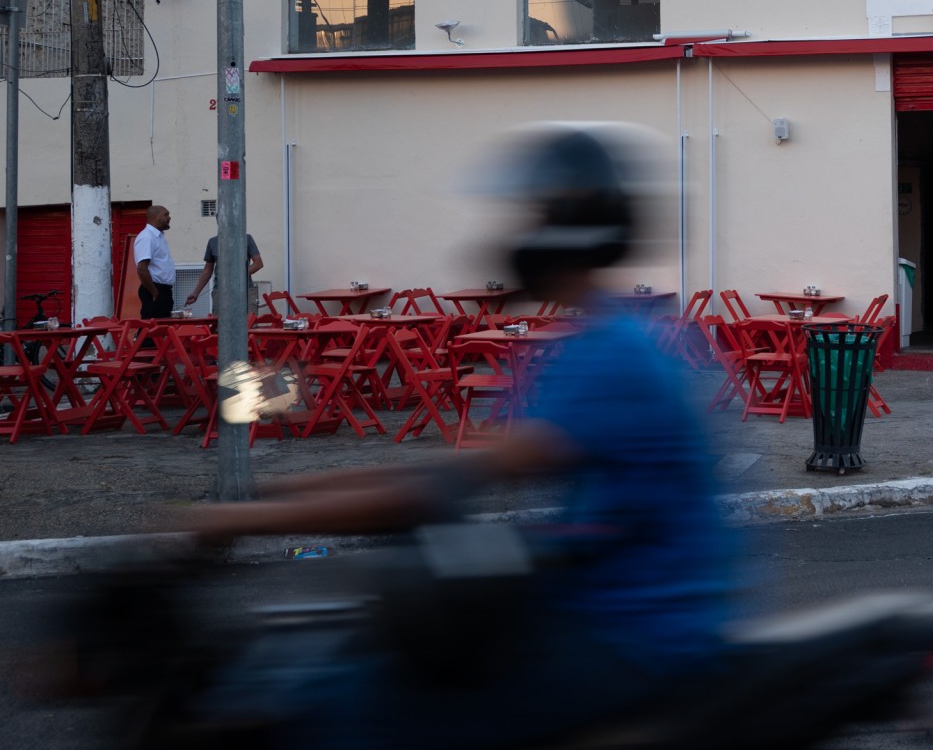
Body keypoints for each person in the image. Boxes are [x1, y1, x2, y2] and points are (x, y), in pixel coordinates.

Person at [184, 125, 739, 749]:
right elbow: (452, 471)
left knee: (358, 707)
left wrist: (244, 518)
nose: (521, 234)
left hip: (634, 634)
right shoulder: (604, 340)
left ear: (570, 229)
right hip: (596, 604)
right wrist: (273, 494)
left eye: (538, 215)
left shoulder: (612, 355)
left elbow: (442, 484)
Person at [182, 231, 264, 312]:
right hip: (220, 293)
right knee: (219, 321)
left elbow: (258, 263)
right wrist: (196, 292)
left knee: (249, 320)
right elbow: (207, 270)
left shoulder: (247, 238)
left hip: (245, 291)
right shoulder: (212, 242)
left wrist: (237, 276)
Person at [133, 205, 177, 319]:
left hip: (163, 290)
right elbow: (142, 268)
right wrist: (155, 293)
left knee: (163, 327)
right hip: (155, 289)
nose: (169, 218)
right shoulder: (147, 237)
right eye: (166, 215)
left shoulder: (158, 237)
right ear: (154, 217)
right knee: (152, 326)